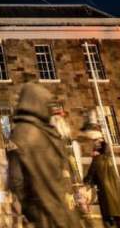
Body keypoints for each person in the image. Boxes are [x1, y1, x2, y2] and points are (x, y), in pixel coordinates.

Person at [7, 83, 81, 228]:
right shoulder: (51, 134)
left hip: (42, 214)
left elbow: (16, 181)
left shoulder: (18, 135)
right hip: (65, 212)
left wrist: (29, 211)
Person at [84, 139, 120, 228]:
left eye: (93, 150)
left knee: (109, 219)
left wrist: (85, 182)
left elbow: (89, 178)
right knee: (119, 217)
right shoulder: (108, 159)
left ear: (95, 151)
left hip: (106, 195)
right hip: (117, 193)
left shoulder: (96, 161)